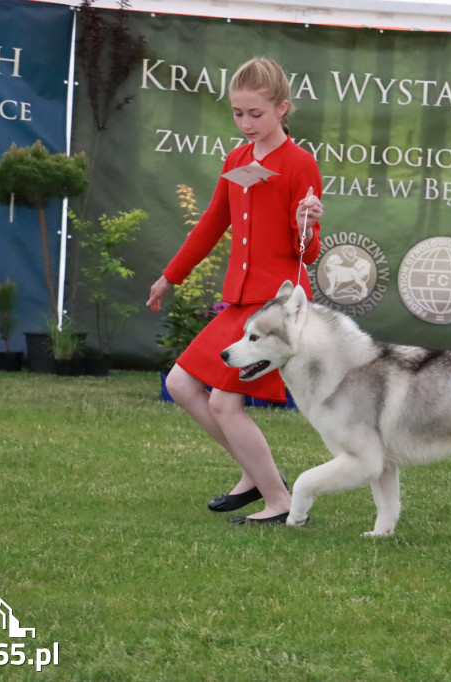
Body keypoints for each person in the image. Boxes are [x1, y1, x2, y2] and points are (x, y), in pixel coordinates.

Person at [146, 57, 324, 525]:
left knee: (225, 402)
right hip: (240, 302)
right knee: (181, 384)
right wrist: (171, 276)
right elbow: (211, 224)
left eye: (256, 114)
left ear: (282, 108)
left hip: (275, 306)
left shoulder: (299, 164)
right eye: (238, 113)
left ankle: (278, 501)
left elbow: (308, 251)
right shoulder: (237, 160)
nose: (246, 123)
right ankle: (255, 474)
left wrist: (308, 224)